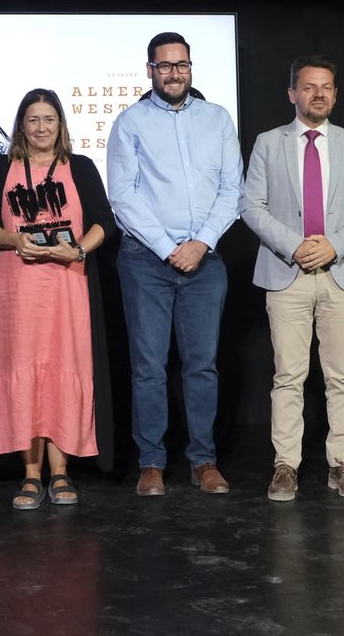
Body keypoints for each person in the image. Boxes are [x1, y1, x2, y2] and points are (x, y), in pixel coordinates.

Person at [240, 56, 344, 502]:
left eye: (326, 87)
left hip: (340, 273)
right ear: (292, 94)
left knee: (342, 377)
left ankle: (343, 465)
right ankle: (286, 465)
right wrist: (293, 245)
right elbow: (251, 206)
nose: (318, 94)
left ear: (335, 94)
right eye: (308, 86)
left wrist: (335, 245)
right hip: (288, 272)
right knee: (288, 375)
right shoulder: (268, 142)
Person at [108, 32, 243, 497]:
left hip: (205, 261)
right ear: (150, 70)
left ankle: (203, 460)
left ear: (191, 67)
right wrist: (169, 248)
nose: (173, 73)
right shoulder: (129, 123)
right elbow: (122, 196)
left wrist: (201, 243)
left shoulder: (218, 119)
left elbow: (232, 190)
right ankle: (151, 463)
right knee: (148, 366)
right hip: (146, 260)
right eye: (164, 66)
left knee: (202, 365)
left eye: (181, 64)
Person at [0, 89, 116, 509]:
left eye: (49, 119)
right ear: (21, 124)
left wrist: (77, 250)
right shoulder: (1, 167)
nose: (41, 127)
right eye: (33, 119)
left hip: (66, 287)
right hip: (16, 291)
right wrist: (14, 240)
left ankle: (60, 473)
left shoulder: (81, 167)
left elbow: (103, 224)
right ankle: (30, 474)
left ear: (61, 125)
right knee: (24, 375)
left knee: (61, 372)